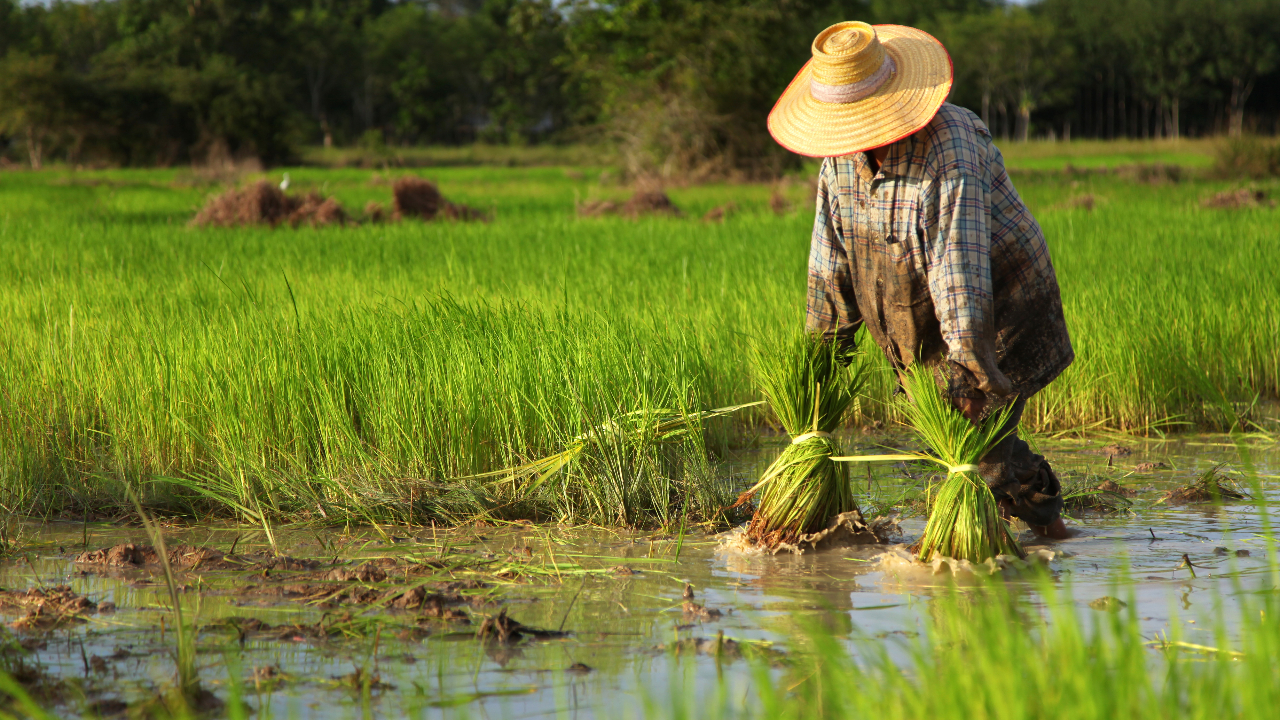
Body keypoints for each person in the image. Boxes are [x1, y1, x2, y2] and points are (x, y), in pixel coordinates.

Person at [767, 21, 1074, 539]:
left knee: (981, 448)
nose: (854, 134)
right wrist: (818, 372)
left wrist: (970, 370)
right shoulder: (838, 166)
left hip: (999, 306)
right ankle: (1027, 518)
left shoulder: (949, 149)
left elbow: (961, 275)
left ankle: (1049, 534)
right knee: (959, 438)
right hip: (917, 314)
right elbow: (829, 268)